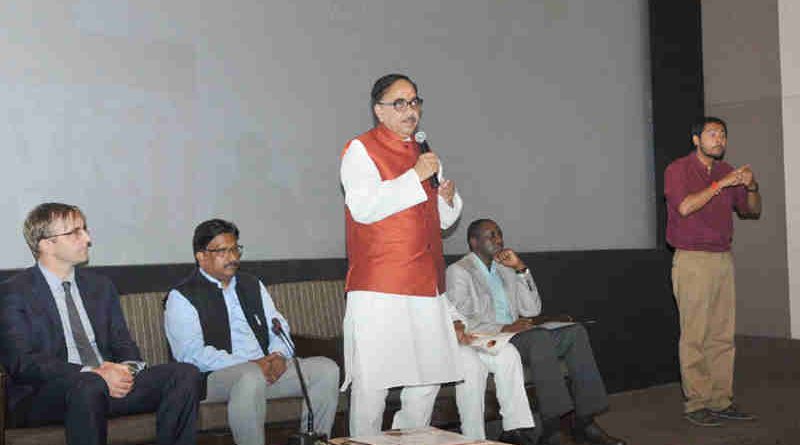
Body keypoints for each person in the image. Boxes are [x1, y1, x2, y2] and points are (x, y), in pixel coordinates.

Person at [0, 203, 201, 445]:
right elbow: (22, 362)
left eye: (84, 229)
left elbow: (122, 342)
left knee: (184, 374)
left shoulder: (100, 286)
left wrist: (127, 370)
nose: (87, 238)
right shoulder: (14, 292)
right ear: (45, 243)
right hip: (44, 395)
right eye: (74, 232)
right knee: (89, 384)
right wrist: (94, 373)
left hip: (105, 386)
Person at [339, 73, 464, 436]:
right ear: (379, 111)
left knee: (428, 379)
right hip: (382, 285)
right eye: (400, 103)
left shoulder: (425, 154)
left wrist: (446, 200)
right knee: (373, 384)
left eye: (414, 102)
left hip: (427, 283)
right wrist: (414, 177)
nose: (410, 110)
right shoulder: (360, 149)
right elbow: (362, 208)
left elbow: (441, 221)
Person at [446, 219, 625, 445]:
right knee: (539, 338)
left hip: (519, 334)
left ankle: (585, 422)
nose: (499, 239)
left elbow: (532, 309)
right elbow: (463, 319)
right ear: (474, 242)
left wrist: (521, 269)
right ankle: (553, 428)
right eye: (491, 235)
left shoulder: (505, 269)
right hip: (493, 338)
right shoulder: (460, 271)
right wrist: (504, 327)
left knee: (575, 332)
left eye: (500, 234)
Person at [164, 219, 340, 445]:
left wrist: (277, 355)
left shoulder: (251, 284)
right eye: (222, 251)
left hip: (265, 368)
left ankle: (314, 442)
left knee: (326, 369)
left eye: (235, 249)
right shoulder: (182, 296)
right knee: (250, 377)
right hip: (214, 378)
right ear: (201, 256)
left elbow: (278, 326)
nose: (233, 257)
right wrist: (252, 362)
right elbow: (190, 355)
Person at [664, 116, 761, 427]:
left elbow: (752, 210)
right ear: (696, 140)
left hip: (722, 259)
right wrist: (722, 184)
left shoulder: (726, 171)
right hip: (692, 260)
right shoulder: (678, 169)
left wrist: (751, 185)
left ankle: (721, 399)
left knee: (722, 336)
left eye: (723, 135)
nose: (719, 139)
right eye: (712, 134)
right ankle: (697, 403)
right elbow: (684, 207)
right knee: (695, 335)